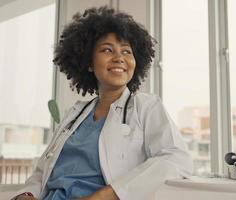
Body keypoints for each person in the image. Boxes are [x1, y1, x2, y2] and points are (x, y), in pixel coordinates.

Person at [12, 6, 193, 200]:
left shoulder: (146, 107)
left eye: (126, 51)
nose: (119, 58)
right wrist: (26, 195)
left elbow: (176, 159)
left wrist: (107, 195)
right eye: (107, 49)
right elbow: (42, 170)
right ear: (88, 63)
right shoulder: (75, 114)